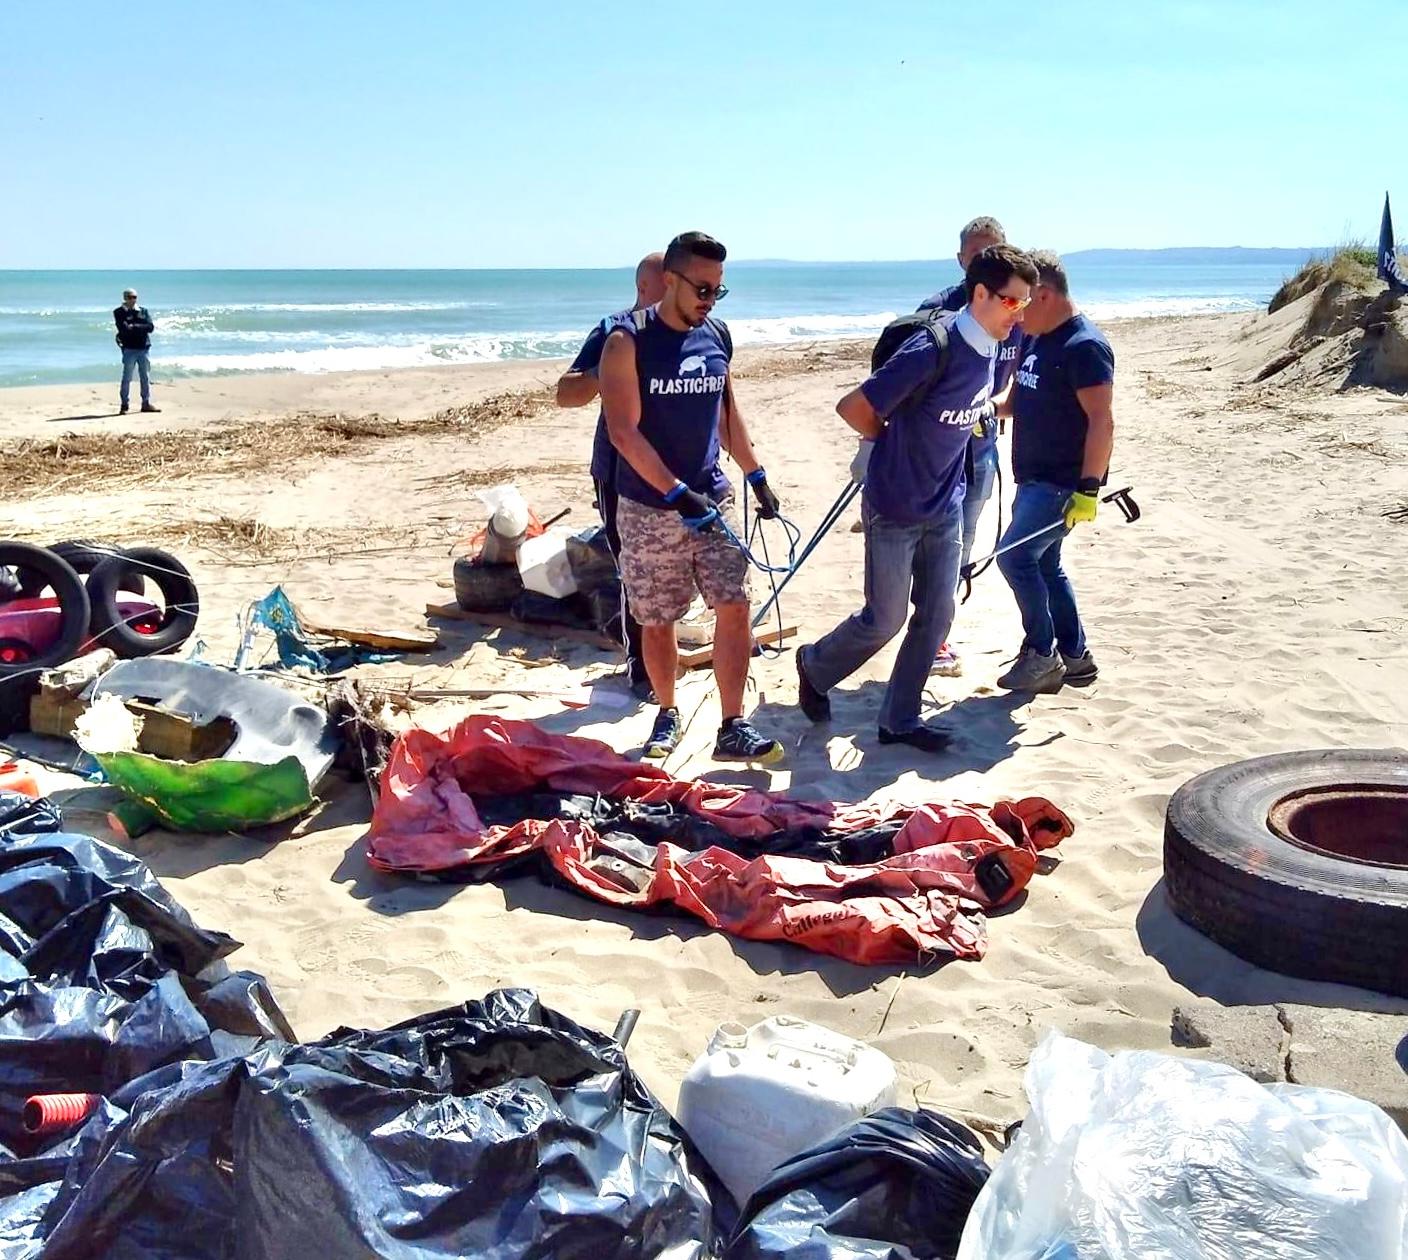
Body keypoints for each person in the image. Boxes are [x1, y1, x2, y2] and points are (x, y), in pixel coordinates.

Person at [796, 245, 1039, 751]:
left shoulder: (994, 346)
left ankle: (899, 720)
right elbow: (855, 407)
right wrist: (891, 451)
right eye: (1012, 302)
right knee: (884, 620)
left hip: (946, 504)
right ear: (979, 294)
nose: (1020, 315)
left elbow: (966, 408)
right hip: (895, 506)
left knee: (938, 615)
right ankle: (814, 665)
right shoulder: (934, 347)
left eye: (1026, 303)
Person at [598, 231, 784, 763]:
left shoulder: (717, 336)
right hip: (649, 508)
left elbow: (726, 415)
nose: (708, 300)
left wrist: (756, 476)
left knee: (735, 604)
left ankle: (732, 724)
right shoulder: (626, 341)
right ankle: (666, 711)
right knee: (658, 618)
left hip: (712, 501)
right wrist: (676, 493)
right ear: (669, 282)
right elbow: (623, 433)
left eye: (717, 291)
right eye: (701, 288)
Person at [994, 249, 1114, 693]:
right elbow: (1017, 400)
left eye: (1022, 300)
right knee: (1046, 565)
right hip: (1031, 477)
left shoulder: (1085, 346)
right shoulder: (1038, 336)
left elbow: (1102, 420)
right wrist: (986, 412)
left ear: (1043, 294)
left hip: (1060, 483)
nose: (1017, 311)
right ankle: (1076, 657)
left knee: (1014, 556)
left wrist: (1088, 489)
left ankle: (1042, 655)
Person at [555, 252, 667, 699]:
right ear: (646, 288)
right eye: (672, 284)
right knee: (632, 567)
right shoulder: (613, 330)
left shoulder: (690, 333)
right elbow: (566, 393)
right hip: (618, 470)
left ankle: (663, 655)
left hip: (675, 466)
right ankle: (641, 666)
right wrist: (611, 368)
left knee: (670, 567)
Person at [917, 215, 1023, 675]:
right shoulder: (939, 310)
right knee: (933, 540)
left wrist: (999, 404)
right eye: (975, 256)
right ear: (961, 259)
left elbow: (1024, 370)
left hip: (981, 445)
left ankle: (939, 633)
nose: (982, 263)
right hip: (939, 446)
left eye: (992, 253)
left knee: (964, 539)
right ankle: (929, 637)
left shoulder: (1015, 312)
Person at [113, 288, 159, 414]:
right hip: (129, 349)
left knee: (145, 377)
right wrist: (138, 326)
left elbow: (150, 327)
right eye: (130, 297)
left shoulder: (143, 311)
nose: (133, 300)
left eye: (135, 297)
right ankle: (124, 405)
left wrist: (134, 326)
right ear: (125, 298)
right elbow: (123, 328)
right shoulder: (118, 312)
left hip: (143, 348)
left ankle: (146, 403)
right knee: (127, 377)